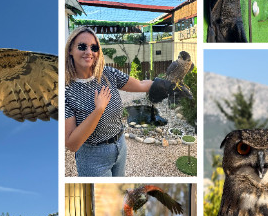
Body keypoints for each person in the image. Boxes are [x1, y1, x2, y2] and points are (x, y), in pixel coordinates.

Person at [64, 26, 183, 177]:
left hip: (120, 145)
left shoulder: (108, 73)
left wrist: (168, 85)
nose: (89, 52)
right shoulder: (66, 91)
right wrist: (98, 110)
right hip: (93, 158)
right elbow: (72, 144)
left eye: (94, 47)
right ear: (70, 50)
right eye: (82, 46)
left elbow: (140, 84)